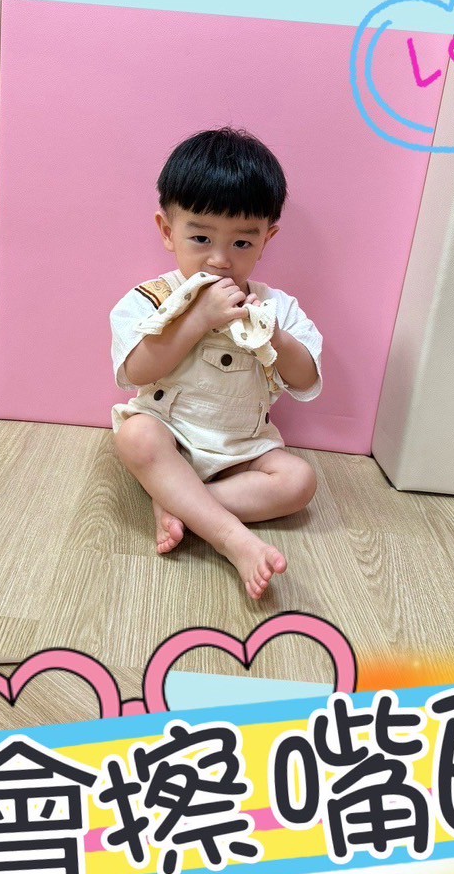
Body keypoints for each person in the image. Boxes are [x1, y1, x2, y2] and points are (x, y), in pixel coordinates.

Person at [110, 128, 323, 599]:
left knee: (300, 482)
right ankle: (230, 536)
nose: (220, 259)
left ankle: (177, 501)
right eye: (201, 237)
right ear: (168, 232)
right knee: (136, 435)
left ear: (267, 239)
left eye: (242, 243)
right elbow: (136, 372)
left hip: (243, 449)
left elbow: (306, 379)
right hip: (172, 436)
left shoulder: (277, 306)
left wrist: (275, 336)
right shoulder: (150, 298)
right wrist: (197, 320)